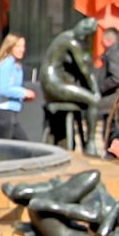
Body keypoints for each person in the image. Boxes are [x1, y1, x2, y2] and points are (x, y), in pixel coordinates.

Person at [39, 17, 101, 156]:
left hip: (50, 83)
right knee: (93, 101)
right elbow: (85, 70)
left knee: (86, 99)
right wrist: (96, 91)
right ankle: (90, 143)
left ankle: (82, 141)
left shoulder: (64, 37)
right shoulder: (71, 42)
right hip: (53, 84)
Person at [0, 33, 36, 140]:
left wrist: (23, 97)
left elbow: (11, 88)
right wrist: (24, 93)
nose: (22, 49)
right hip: (3, 114)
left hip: (11, 114)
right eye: (18, 46)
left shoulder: (16, 66)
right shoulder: (6, 64)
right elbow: (4, 89)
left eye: (23, 46)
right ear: (10, 47)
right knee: (3, 152)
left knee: (23, 148)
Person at [96, 27, 119, 114]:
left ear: (108, 41)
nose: (101, 43)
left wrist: (100, 87)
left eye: (102, 40)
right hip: (115, 102)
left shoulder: (112, 55)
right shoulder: (118, 53)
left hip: (112, 100)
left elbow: (117, 78)